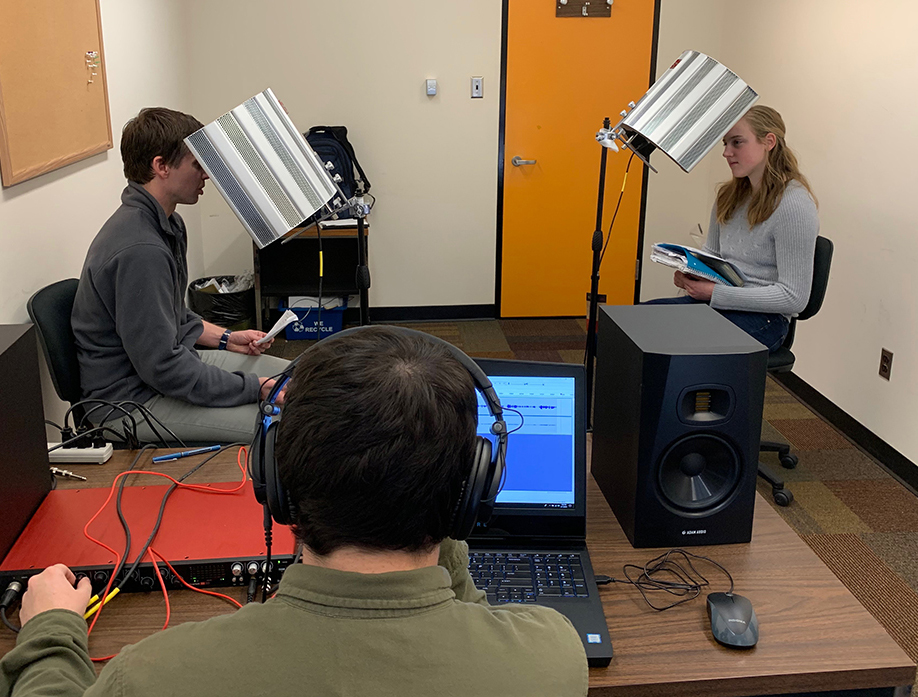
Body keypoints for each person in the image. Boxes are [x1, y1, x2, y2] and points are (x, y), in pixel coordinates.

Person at [0, 327, 589, 696]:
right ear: (472, 493)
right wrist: (436, 507)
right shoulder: (551, 658)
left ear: (275, 482)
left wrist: (51, 632)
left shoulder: (152, 677)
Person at [71, 107, 289, 445]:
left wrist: (227, 338)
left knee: (299, 378)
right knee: (288, 427)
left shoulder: (167, 224)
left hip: (162, 373)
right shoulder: (141, 249)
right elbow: (163, 368)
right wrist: (254, 389)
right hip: (128, 404)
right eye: (198, 165)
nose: (207, 176)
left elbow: (170, 317)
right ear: (161, 167)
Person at [648, 105, 819, 352]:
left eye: (737, 143)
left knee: (664, 343)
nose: (727, 153)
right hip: (721, 304)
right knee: (633, 327)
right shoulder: (729, 196)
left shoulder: (794, 205)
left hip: (765, 320)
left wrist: (713, 294)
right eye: (725, 144)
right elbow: (711, 258)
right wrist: (692, 277)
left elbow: (794, 297)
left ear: (768, 142)